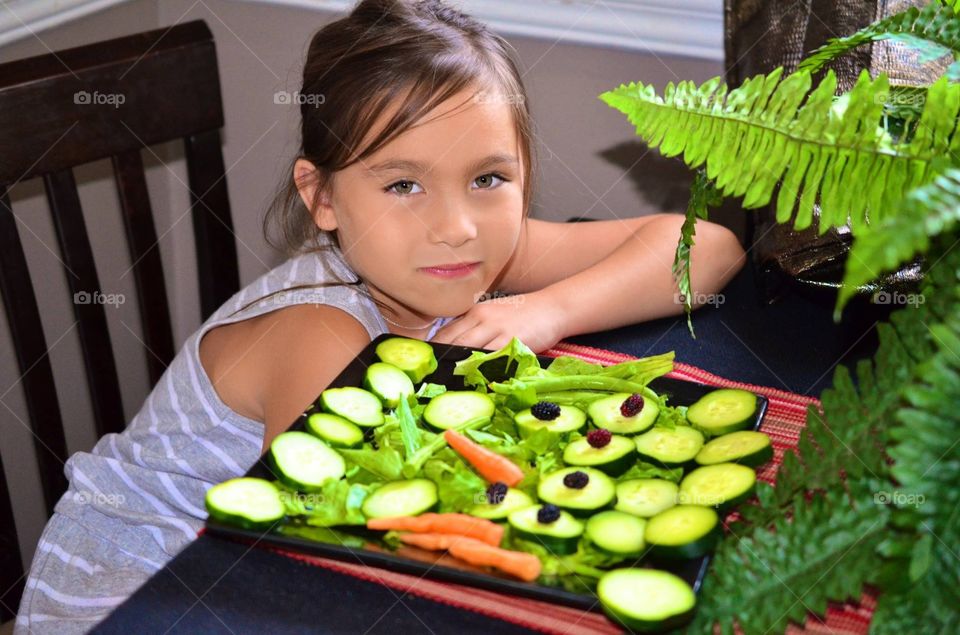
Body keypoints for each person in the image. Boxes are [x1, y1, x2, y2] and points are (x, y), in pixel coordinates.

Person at [13, 0, 745, 631]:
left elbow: (708, 249)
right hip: (132, 595)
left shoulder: (477, 252)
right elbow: (346, 551)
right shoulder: (322, 333)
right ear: (322, 197)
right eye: (402, 185)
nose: (456, 226)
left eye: (488, 177)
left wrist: (548, 309)